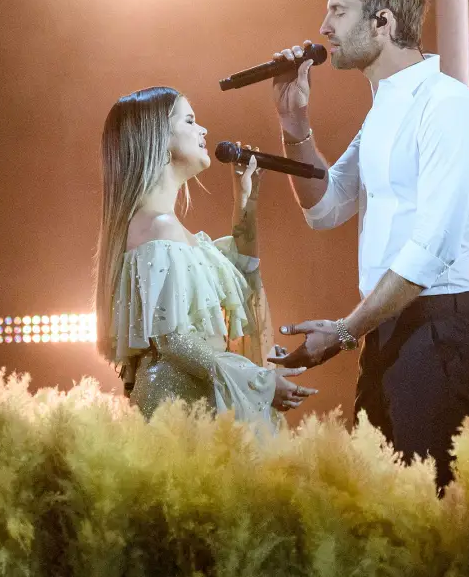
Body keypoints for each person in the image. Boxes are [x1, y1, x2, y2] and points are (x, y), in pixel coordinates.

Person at [268, 0, 469, 488]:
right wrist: (293, 119)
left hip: (440, 330)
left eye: (338, 12)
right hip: (385, 329)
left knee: (427, 518)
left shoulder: (447, 106)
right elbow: (324, 207)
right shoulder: (383, 112)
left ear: (383, 22)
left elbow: (430, 248)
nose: (323, 28)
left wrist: (346, 332)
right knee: (381, 514)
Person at [94, 86, 316, 432]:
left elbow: (241, 276)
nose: (204, 131)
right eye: (190, 120)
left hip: (193, 406)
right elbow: (175, 341)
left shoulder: (170, 231)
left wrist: (246, 202)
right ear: (159, 138)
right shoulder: (158, 228)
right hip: (176, 412)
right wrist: (259, 381)